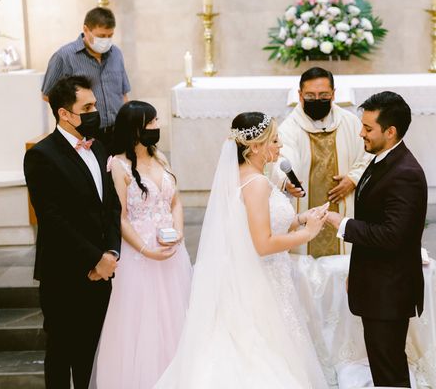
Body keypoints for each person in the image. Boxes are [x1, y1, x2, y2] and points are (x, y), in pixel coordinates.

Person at [155, 112, 329, 388]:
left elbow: (250, 230)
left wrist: (300, 219)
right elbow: (263, 244)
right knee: (263, 356)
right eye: (274, 139)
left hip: (249, 275)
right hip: (260, 279)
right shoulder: (257, 184)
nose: (280, 145)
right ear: (255, 146)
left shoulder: (241, 177)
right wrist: (305, 234)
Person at [24, 75, 121, 389]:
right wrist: (93, 259)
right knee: (61, 353)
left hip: (102, 269)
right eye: (88, 106)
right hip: (64, 273)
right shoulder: (42, 155)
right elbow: (52, 219)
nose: (96, 111)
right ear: (64, 113)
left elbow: (112, 208)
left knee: (91, 353)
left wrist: (111, 253)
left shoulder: (100, 147)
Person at [327, 91, 427, 388]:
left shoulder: (405, 173)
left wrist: (341, 223)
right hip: (375, 283)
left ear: (390, 131)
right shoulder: (381, 159)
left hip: (390, 290)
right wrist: (356, 273)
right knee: (383, 367)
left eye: (368, 128)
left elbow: (392, 235)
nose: (361, 133)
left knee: (390, 370)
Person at [89, 101, 192, 388]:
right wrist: (146, 250)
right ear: (135, 128)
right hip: (138, 254)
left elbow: (176, 201)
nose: (157, 127)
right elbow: (119, 217)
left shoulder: (161, 158)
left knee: (175, 315)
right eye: (151, 122)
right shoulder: (118, 165)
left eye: (157, 121)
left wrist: (178, 232)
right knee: (143, 321)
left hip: (171, 250)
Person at [273, 67, 371, 257]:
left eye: (323, 95)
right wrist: (286, 182)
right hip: (304, 208)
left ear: (333, 94)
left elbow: (368, 157)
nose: (317, 100)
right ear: (300, 95)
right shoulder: (289, 128)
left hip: (345, 205)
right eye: (310, 96)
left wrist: (353, 179)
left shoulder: (350, 122)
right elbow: (281, 160)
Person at [42, 7, 131, 149]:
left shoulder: (116, 54)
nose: (106, 40)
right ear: (86, 29)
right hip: (84, 134)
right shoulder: (64, 56)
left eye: (110, 36)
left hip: (116, 131)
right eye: (101, 36)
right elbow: (48, 95)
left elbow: (123, 93)